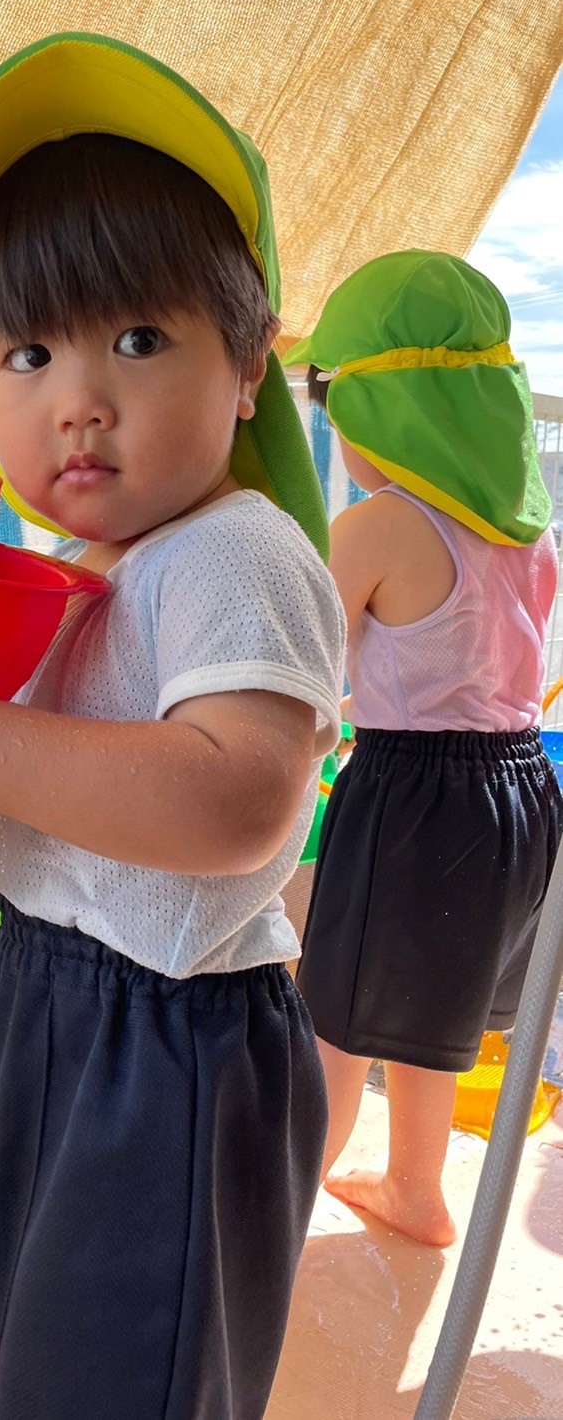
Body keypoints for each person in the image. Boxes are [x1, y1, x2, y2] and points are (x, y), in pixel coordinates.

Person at [0, 33, 346, 1419]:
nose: (77, 400)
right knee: (47, 1349)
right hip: (48, 995)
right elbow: (17, 732)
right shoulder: (87, 562)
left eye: (139, 339)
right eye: (28, 352)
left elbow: (236, 803)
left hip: (165, 1046)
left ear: (248, 365)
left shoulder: (234, 552)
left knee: (119, 1381)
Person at [285, 249, 562, 1246]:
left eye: (332, 399)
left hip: (414, 798)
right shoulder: (527, 534)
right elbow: (462, 671)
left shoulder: (377, 525)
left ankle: (276, 1216)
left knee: (338, 1014)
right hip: (519, 792)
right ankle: (415, 1186)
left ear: (382, 407)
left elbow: (292, 662)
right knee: (427, 1009)